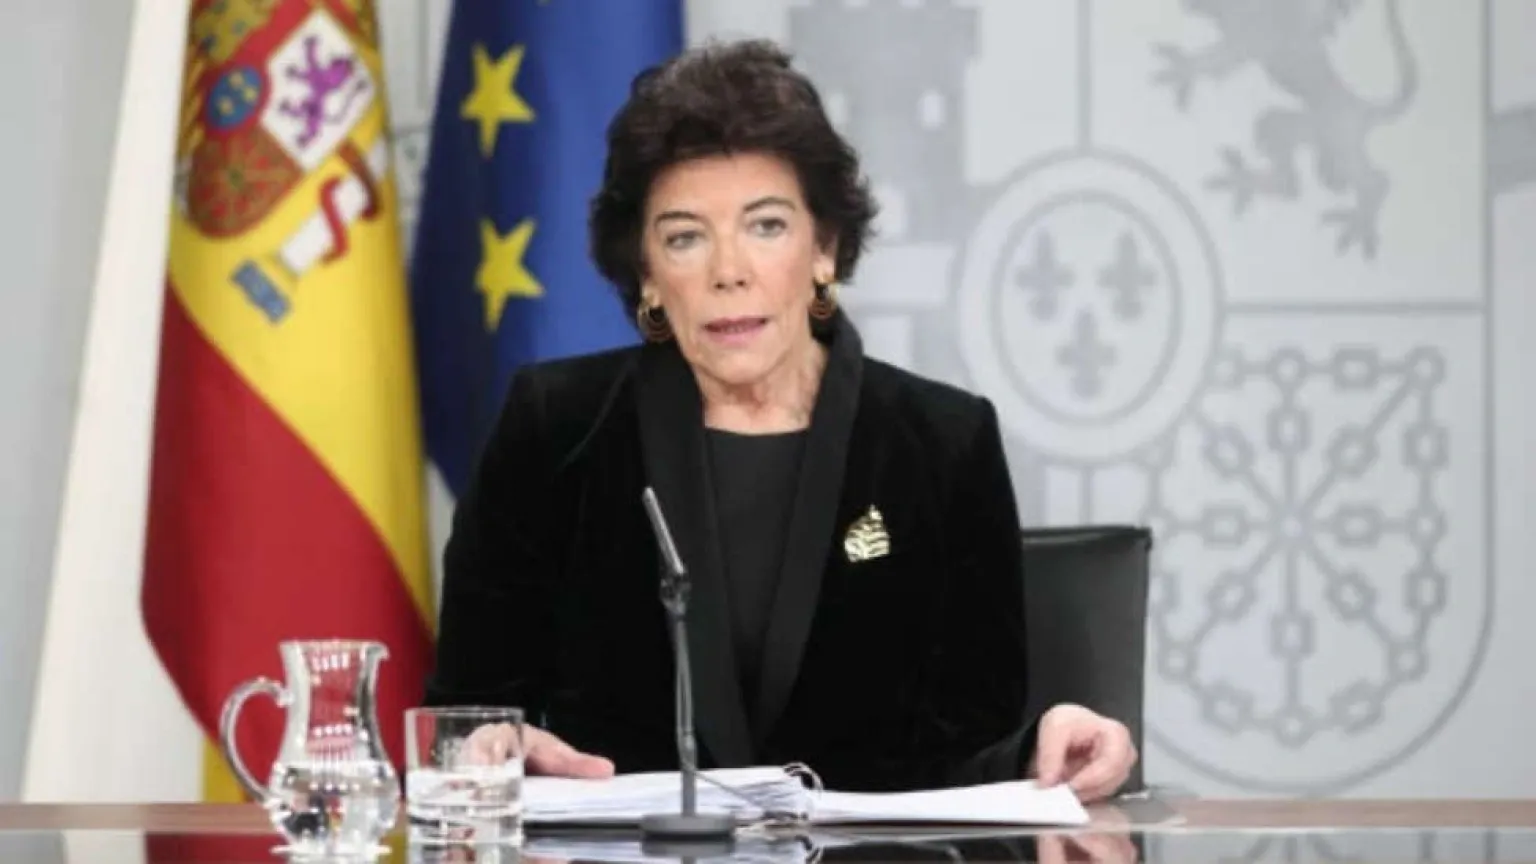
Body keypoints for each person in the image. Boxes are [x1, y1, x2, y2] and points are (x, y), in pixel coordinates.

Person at [424, 38, 1138, 802]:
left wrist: (1043, 748)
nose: (728, 271)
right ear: (647, 275)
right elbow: (462, 718)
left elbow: (967, 754)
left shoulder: (943, 443)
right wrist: (493, 746)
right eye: (685, 237)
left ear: (824, 248)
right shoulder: (554, 429)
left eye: (765, 226)